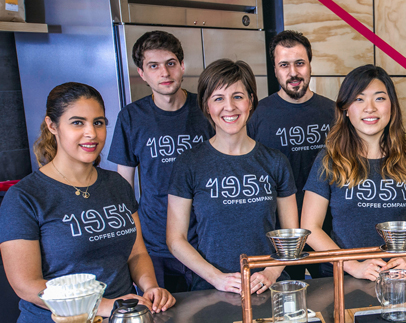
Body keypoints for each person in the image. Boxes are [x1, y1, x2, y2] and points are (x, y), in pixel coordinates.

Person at [0, 83, 175, 323]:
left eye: (99, 122)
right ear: (52, 126)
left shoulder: (116, 185)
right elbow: (26, 285)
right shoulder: (25, 197)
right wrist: (103, 304)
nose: (91, 133)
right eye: (77, 123)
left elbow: (136, 253)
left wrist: (150, 287)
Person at [167, 59, 299, 293]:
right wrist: (217, 278)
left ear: (250, 101)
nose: (229, 107)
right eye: (218, 98)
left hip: (269, 288)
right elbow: (175, 239)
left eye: (237, 96)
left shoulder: (275, 161)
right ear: (207, 106)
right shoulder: (189, 163)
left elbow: (291, 234)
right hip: (210, 290)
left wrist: (270, 272)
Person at [301, 65, 406, 281]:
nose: (369, 108)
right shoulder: (329, 158)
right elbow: (310, 227)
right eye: (359, 99)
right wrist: (353, 266)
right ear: (345, 108)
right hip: (341, 277)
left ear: (392, 106)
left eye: (379, 98)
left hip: (396, 277)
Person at [109, 31, 214, 292]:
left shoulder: (206, 110)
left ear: (182, 66)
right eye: (153, 66)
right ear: (142, 73)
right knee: (162, 319)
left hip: (204, 239)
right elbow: (124, 189)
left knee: (212, 317)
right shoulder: (131, 117)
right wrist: (132, 245)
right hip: (154, 243)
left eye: (170, 63)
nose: (164, 73)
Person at [248, 30, 336, 278]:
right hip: (280, 235)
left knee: (331, 300)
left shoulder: (333, 112)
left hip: (327, 231)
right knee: (286, 304)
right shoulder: (258, 115)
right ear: (275, 70)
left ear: (310, 65)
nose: (293, 73)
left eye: (299, 63)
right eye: (284, 65)